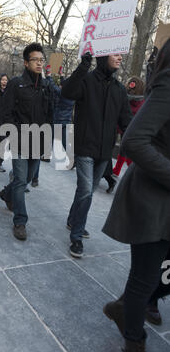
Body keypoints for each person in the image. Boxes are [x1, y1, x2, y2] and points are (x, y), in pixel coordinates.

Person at [102, 39, 170, 352]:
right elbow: (133, 140)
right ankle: (134, 345)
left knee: (161, 277)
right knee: (144, 277)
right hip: (151, 199)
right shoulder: (168, 85)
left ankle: (131, 304)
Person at [61, 52, 132, 258]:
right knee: (86, 191)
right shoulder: (86, 80)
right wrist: (82, 67)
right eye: (115, 54)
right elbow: (67, 92)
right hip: (84, 147)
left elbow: (126, 121)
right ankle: (76, 236)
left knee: (87, 190)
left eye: (121, 55)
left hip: (104, 152)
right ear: (104, 57)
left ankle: (73, 219)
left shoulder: (119, 89)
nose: (120, 58)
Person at [0, 43, 53, 241]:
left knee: (27, 178)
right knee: (21, 181)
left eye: (41, 60)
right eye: (35, 60)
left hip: (38, 141)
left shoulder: (47, 86)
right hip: (20, 140)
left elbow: (50, 115)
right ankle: (20, 221)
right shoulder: (16, 83)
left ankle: (6, 193)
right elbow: (5, 112)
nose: (39, 63)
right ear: (26, 62)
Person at [112, 77, 145, 177]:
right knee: (125, 149)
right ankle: (120, 170)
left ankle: (121, 170)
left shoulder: (124, 99)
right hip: (131, 129)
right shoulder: (142, 102)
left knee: (125, 150)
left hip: (123, 127)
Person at [0, 73, 9, 172]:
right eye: (3, 80)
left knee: (2, 143)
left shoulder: (10, 93)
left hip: (4, 122)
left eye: (6, 80)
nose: (4, 82)